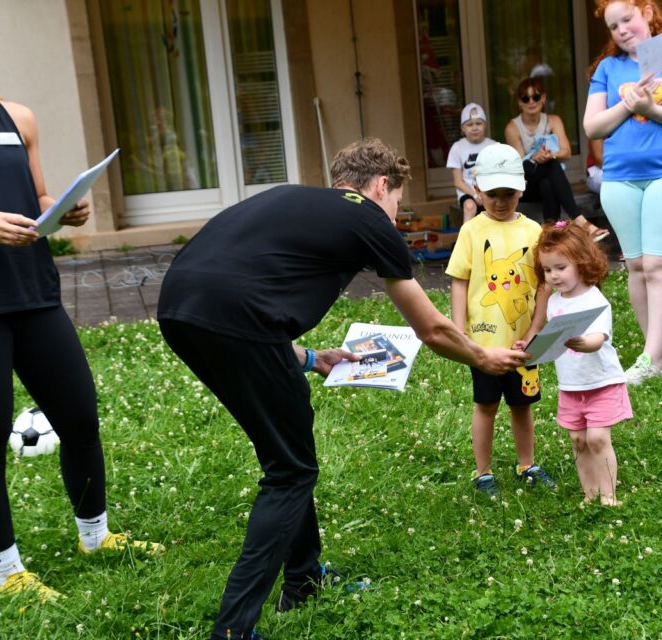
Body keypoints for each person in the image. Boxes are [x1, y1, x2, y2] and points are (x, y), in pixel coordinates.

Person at [156, 138, 530, 640]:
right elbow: (432, 330)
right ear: (381, 186)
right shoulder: (369, 217)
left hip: (179, 309)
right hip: (234, 320)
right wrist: (485, 357)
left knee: (287, 447)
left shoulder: (297, 203)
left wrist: (311, 359)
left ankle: (304, 580)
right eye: (397, 200)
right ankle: (233, 629)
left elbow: (243, 297)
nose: (395, 213)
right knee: (290, 471)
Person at [0, 0, 162, 603]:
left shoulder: (18, 116)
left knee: (80, 419)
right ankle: (9, 575)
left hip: (33, 294)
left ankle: (95, 536)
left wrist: (66, 209)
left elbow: (35, 197)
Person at [583, 0, 662, 384]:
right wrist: (629, 103)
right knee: (636, 266)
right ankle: (660, 350)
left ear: (648, 13)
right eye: (613, 26)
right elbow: (593, 127)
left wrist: (652, 110)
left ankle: (649, 360)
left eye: (627, 19)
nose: (621, 30)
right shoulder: (608, 68)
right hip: (619, 180)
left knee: (659, 267)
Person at [445, 143, 555, 496]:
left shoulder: (534, 231)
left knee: (522, 407)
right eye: (492, 194)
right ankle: (483, 472)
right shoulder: (471, 231)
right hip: (483, 342)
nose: (500, 201)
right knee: (487, 405)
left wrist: (537, 330)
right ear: (477, 189)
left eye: (509, 193)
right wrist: (459, 332)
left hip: (524, 343)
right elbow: (460, 282)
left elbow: (542, 286)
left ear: (522, 189)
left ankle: (527, 463)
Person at [515, 221, 632, 505]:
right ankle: (589, 492)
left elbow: (598, 338)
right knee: (578, 440)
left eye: (561, 268)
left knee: (597, 439)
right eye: (547, 270)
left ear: (581, 262)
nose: (553, 276)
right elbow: (549, 339)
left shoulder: (595, 300)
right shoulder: (555, 302)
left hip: (601, 382)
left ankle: (609, 495)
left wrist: (583, 342)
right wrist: (529, 347)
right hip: (572, 385)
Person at [505, 77, 610, 241]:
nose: (531, 102)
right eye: (526, 98)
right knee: (551, 166)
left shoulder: (553, 120)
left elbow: (566, 153)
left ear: (544, 98)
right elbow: (519, 168)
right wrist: (535, 157)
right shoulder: (512, 127)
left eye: (536, 97)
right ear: (519, 102)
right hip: (525, 185)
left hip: (545, 180)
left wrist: (549, 155)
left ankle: (549, 234)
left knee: (547, 181)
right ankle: (580, 221)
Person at [446, 102, 497, 223]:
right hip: (468, 191)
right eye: (469, 125)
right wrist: (475, 195)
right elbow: (458, 182)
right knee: (470, 207)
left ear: (485, 125)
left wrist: (485, 194)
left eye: (479, 123)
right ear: (463, 128)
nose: (474, 128)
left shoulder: (493, 146)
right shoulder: (457, 147)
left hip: (489, 189)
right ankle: (466, 240)